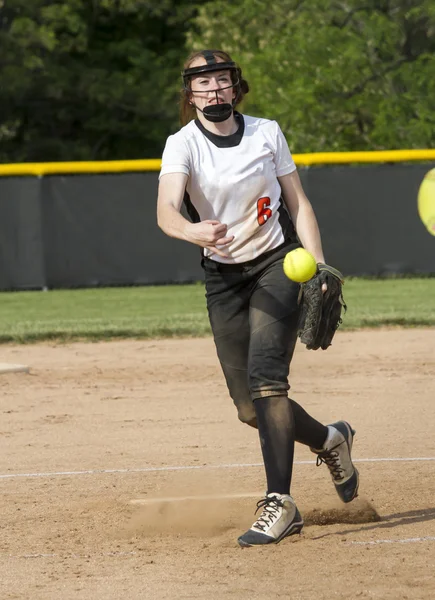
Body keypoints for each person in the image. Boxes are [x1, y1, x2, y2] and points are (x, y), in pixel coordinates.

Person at [157, 49, 359, 548]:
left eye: (222, 80)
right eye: (203, 84)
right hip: (222, 277)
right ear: (191, 94)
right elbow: (165, 211)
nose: (214, 90)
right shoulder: (182, 144)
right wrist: (193, 230)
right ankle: (330, 440)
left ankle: (280, 502)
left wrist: (320, 264)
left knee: (268, 380)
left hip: (277, 264)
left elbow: (299, 203)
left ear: (235, 86)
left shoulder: (267, 132)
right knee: (250, 408)